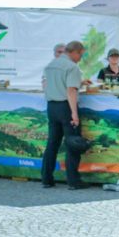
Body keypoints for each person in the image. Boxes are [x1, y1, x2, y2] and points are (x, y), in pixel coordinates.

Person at [41, 41, 88, 190]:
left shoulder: (51, 65)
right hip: (66, 107)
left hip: (52, 106)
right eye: (80, 54)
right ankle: (73, 181)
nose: (80, 58)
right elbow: (71, 91)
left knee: (52, 143)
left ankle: (46, 178)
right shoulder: (72, 67)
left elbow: (45, 85)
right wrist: (74, 113)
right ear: (75, 52)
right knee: (73, 143)